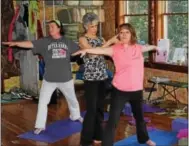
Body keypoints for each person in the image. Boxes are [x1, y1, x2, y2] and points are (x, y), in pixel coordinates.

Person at [73, 23, 157, 146]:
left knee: (139, 118)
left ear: (131, 34)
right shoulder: (115, 49)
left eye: (126, 32)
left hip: (136, 90)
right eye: (121, 32)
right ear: (118, 35)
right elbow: (100, 50)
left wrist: (155, 46)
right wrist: (86, 50)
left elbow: (147, 47)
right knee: (112, 121)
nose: (123, 35)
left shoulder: (138, 47)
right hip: (120, 91)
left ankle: (144, 138)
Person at [3, 20, 83, 135]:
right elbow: (30, 43)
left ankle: (75, 116)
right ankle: (40, 125)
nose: (50, 29)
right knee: (42, 102)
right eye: (49, 27)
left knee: (72, 99)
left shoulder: (68, 42)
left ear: (59, 28)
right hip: (49, 79)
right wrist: (16, 43)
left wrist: (86, 51)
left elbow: (79, 52)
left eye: (52, 27)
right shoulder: (45, 42)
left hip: (66, 78)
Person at [78, 12, 118, 146]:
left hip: (102, 77)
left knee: (100, 108)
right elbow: (92, 54)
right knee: (91, 110)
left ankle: (98, 135)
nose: (94, 29)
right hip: (90, 78)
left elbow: (107, 53)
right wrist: (110, 42)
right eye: (92, 26)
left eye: (96, 26)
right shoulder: (82, 39)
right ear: (85, 26)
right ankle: (85, 140)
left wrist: (116, 44)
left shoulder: (101, 39)